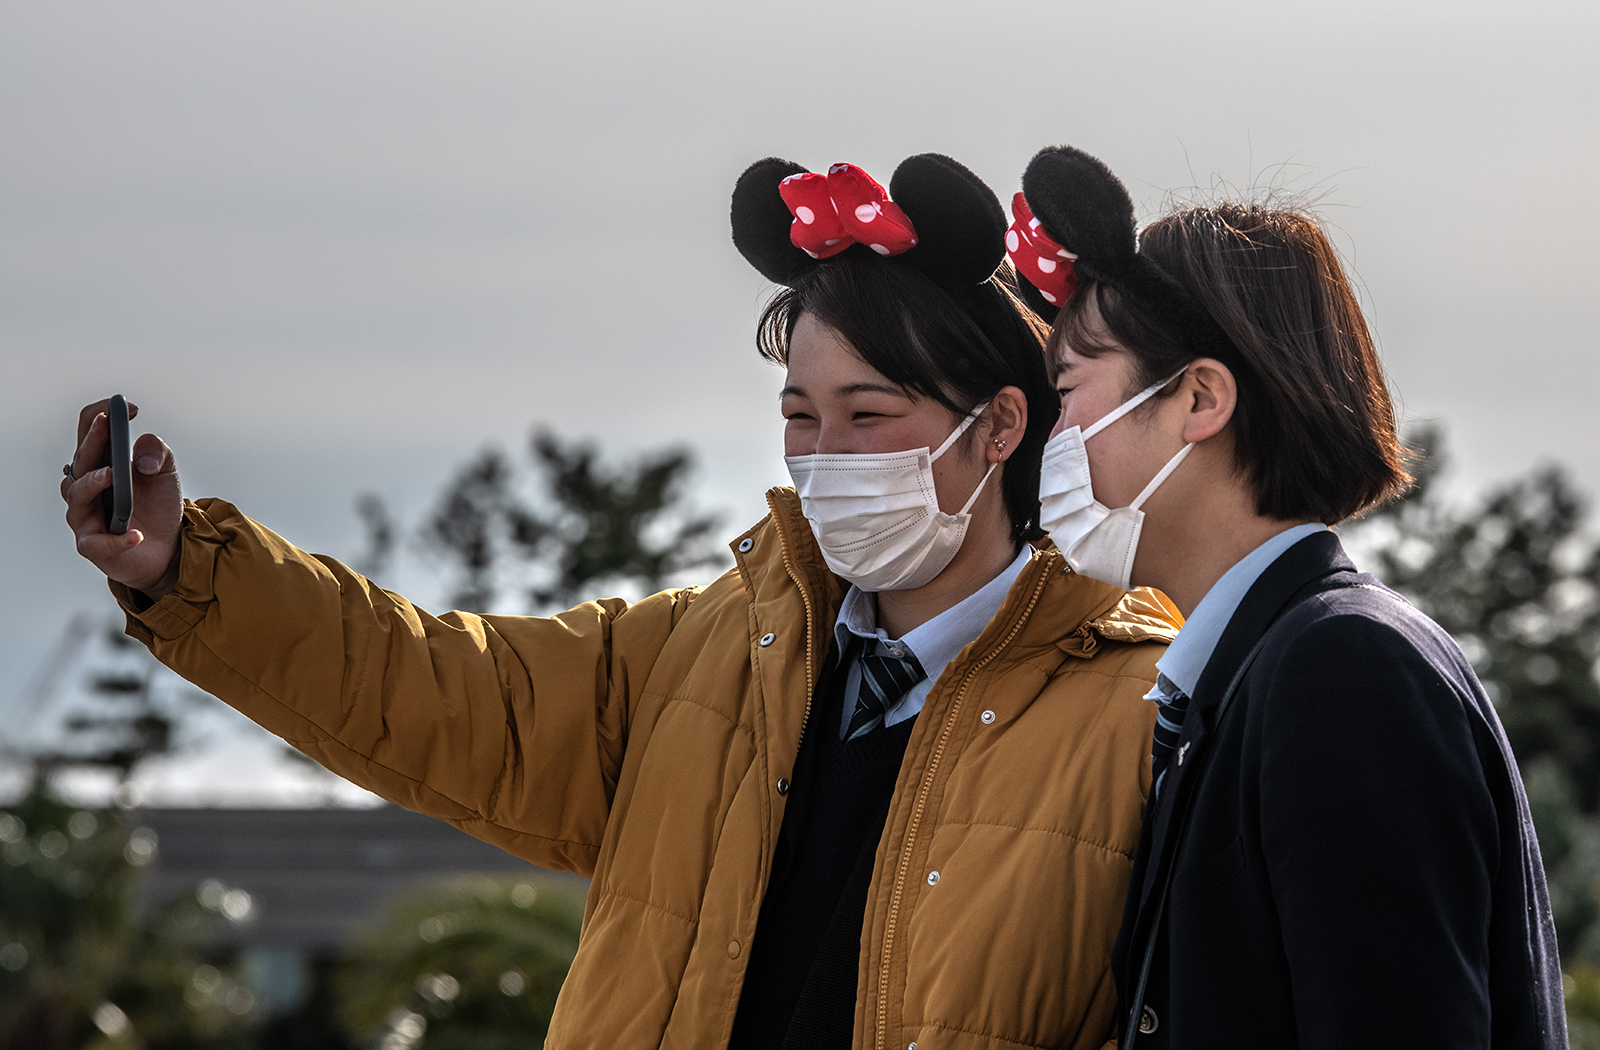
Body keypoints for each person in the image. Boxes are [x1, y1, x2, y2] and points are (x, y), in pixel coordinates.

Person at [63, 152, 1178, 1049]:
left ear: (997, 427)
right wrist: (185, 568)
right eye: (801, 415)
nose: (824, 457)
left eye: (869, 416)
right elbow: (436, 685)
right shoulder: (700, 650)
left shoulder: (1137, 713)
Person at [1002, 145, 1567, 1048]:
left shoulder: (1341, 671)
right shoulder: (1263, 665)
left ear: (1199, 399)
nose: (1050, 438)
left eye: (1066, 390)